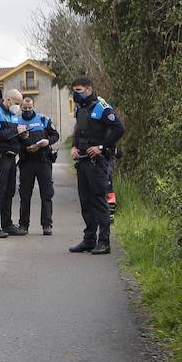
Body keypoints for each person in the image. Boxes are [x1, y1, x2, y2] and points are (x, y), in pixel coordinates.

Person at [68, 76, 125, 254]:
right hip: (83, 160)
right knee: (86, 202)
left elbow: (118, 128)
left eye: (78, 91)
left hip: (98, 162)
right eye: (74, 91)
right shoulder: (80, 108)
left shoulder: (102, 107)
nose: (75, 94)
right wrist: (74, 147)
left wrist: (102, 147)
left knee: (99, 201)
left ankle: (104, 241)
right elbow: (78, 130)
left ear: (89, 90)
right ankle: (89, 239)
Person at [0, 88, 28, 237]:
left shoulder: (12, 115)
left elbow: (12, 135)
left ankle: (7, 224)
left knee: (10, 191)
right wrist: (16, 130)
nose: (18, 106)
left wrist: (22, 135)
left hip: (10, 158)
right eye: (17, 103)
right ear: (8, 100)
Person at [16, 95, 59, 235]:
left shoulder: (43, 119)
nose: (27, 110)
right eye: (25, 108)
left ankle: (47, 225)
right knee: (25, 195)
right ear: (21, 107)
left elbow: (55, 135)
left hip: (43, 161)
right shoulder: (17, 122)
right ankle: (23, 225)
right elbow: (14, 142)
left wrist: (47, 141)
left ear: (33, 107)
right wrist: (24, 148)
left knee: (46, 194)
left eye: (30, 108)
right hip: (26, 162)